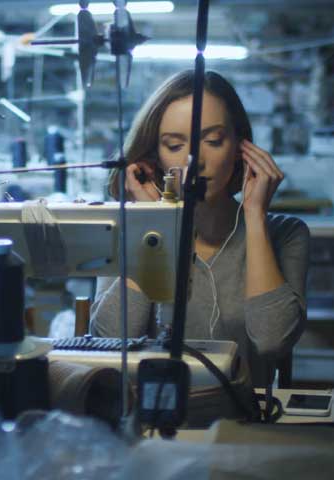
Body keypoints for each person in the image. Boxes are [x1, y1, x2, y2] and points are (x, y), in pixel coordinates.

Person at [90, 70, 309, 385]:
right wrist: (154, 227)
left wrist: (256, 215)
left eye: (213, 141)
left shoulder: (286, 234)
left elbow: (273, 340)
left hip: (243, 423)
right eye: (175, 145)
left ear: (240, 147)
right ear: (154, 158)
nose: (196, 162)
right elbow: (112, 339)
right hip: (152, 419)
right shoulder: (124, 232)